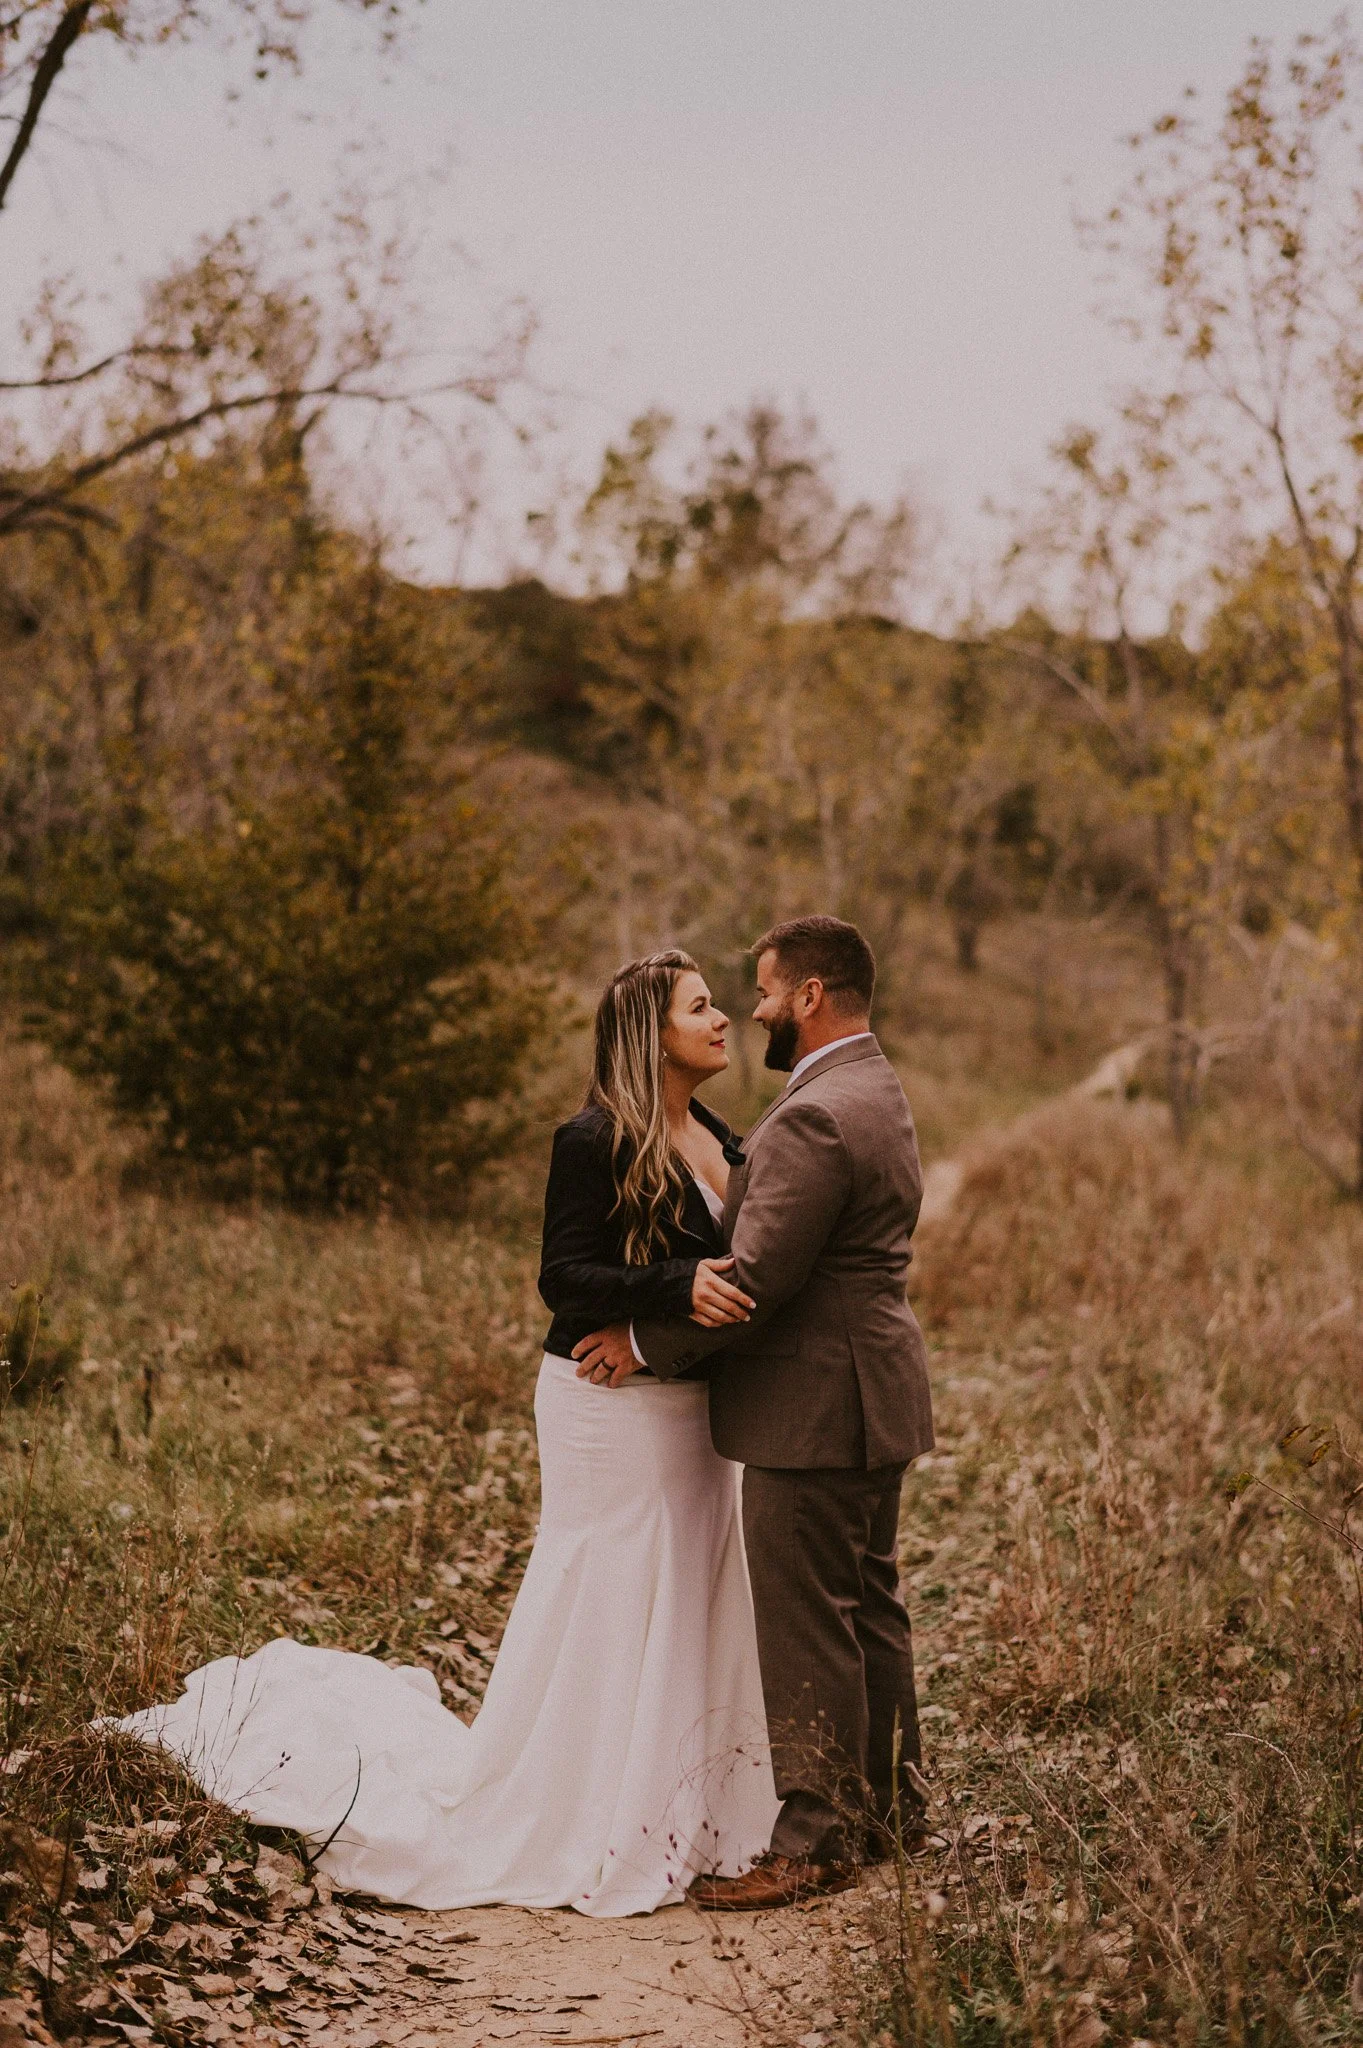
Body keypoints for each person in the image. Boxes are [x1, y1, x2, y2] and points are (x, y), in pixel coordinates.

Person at [117, 950, 778, 1918]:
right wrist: (669, 1286)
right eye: (699, 1006)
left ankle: (686, 1803)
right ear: (649, 1030)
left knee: (688, 1583)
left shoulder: (720, 1133)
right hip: (604, 1403)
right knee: (609, 1584)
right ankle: (580, 1805)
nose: (722, 1018)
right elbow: (565, 1275)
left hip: (686, 1404)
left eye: (719, 1002)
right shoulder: (592, 1137)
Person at [572, 916, 935, 1911]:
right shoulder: (874, 1085)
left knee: (809, 1617)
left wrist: (641, 1344)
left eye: (769, 990)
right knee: (867, 1605)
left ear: (812, 993)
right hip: (868, 1394)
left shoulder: (815, 1113)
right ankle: (893, 1807)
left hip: (814, 1404)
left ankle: (816, 1838)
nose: (757, 1008)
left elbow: (757, 1278)